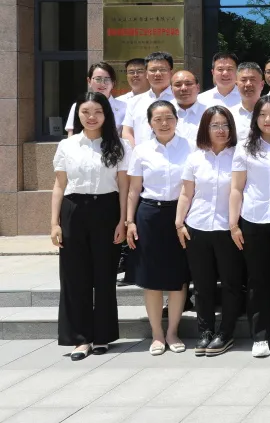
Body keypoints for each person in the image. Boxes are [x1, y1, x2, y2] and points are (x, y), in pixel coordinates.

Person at [51, 92, 131, 360]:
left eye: (97, 111)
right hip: (73, 210)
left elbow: (124, 186)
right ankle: (80, 339)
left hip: (107, 210)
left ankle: (103, 336)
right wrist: (54, 223)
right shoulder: (68, 145)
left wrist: (122, 220)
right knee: (74, 277)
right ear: (78, 115)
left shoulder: (119, 145)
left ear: (106, 114)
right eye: (85, 112)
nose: (91, 117)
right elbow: (59, 185)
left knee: (105, 276)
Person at [124, 99, 192, 356]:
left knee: (178, 278)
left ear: (177, 119)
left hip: (180, 215)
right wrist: (130, 221)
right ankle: (157, 334)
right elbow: (133, 190)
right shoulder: (141, 151)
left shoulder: (189, 147)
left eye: (169, 118)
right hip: (149, 215)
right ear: (150, 123)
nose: (164, 123)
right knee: (151, 279)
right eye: (158, 119)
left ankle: (173, 331)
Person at [230, 95, 270, 358]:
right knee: (257, 279)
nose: (268, 120)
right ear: (255, 118)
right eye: (262, 115)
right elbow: (237, 188)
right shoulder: (245, 147)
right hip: (253, 220)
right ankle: (259, 335)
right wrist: (233, 224)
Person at [174, 106, 242, 356]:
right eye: (215, 125)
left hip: (228, 229)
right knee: (202, 285)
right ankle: (205, 331)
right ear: (206, 128)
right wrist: (179, 223)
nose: (221, 130)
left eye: (225, 125)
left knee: (231, 283)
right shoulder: (195, 158)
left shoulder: (239, 156)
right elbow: (186, 193)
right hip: (197, 227)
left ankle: (226, 332)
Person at [122, 51, 175, 147]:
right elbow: (127, 131)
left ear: (171, 73)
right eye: (153, 70)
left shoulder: (179, 100)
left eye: (162, 69)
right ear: (146, 74)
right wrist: (135, 152)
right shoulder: (134, 101)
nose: (157, 74)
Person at [65, 62, 127, 136]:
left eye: (107, 79)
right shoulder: (78, 106)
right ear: (89, 81)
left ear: (113, 83)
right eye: (98, 79)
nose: (102, 84)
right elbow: (72, 134)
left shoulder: (124, 107)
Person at [171, 70, 208, 144]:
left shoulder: (208, 113)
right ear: (171, 89)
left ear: (198, 87)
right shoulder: (164, 113)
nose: (183, 88)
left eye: (188, 84)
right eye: (178, 85)